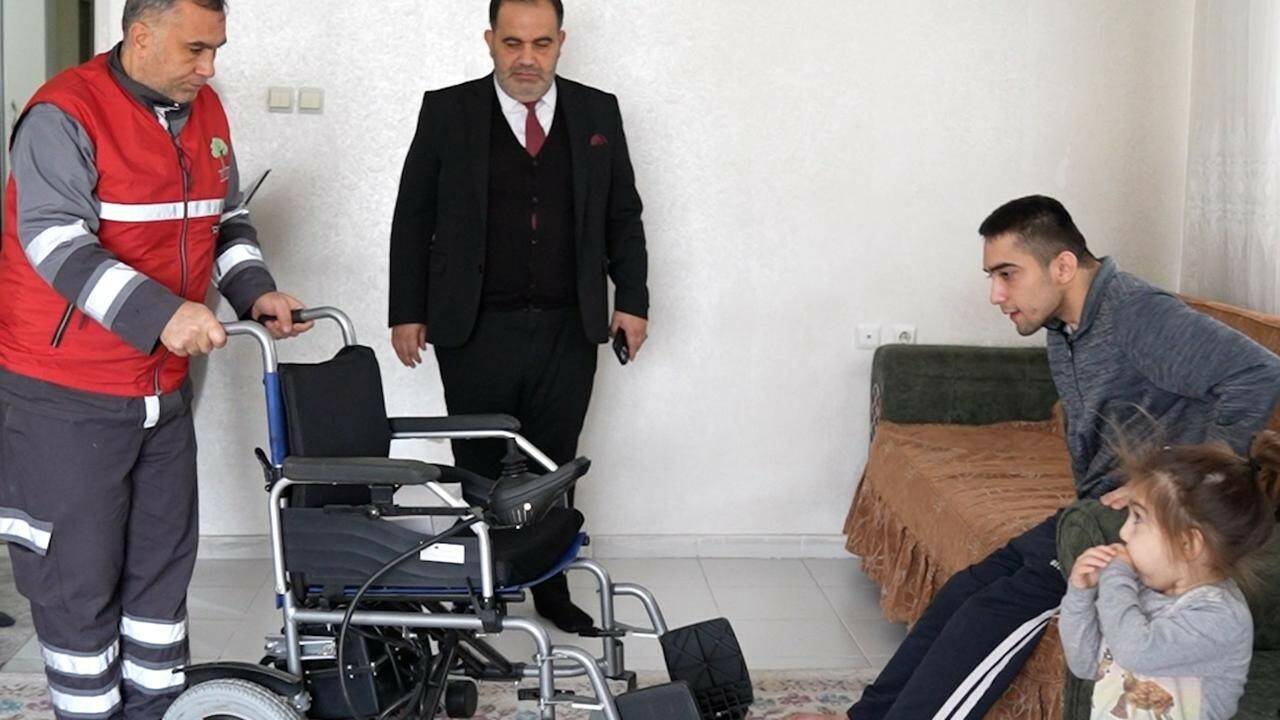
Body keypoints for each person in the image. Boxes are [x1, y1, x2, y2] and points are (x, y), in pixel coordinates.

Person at [790, 195, 1280, 720]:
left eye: (1008, 274)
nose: (995, 295)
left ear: (1063, 266)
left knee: (991, 612)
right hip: (1091, 511)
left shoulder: (1137, 314)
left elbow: (1258, 372)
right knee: (966, 589)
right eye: (991, 277)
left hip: (1145, 524)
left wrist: (1174, 482)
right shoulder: (1062, 328)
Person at [0, 1, 310, 717]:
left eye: (217, 49)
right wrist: (163, 314)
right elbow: (53, 241)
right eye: (196, 49)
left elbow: (225, 219)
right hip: (66, 392)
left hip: (161, 388)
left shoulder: (203, 111)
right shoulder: (62, 116)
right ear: (140, 36)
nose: (210, 67)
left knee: (159, 577)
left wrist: (254, 291)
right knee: (77, 582)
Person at [388, 0, 649, 632]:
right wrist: (407, 311)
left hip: (569, 323)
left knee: (555, 463)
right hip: (474, 326)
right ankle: (481, 586)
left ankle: (552, 589)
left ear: (560, 42)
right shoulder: (448, 111)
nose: (526, 59)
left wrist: (633, 301)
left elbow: (623, 215)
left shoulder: (597, 111)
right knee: (479, 463)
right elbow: (413, 215)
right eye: (512, 43)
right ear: (490, 41)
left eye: (540, 44)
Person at [1061, 434, 1279, 720]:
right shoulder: (1138, 591)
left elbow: (1135, 651)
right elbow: (1085, 664)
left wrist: (1116, 576)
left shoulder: (1221, 618)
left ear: (1187, 544)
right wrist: (1080, 594)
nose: (1124, 532)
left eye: (1138, 519)